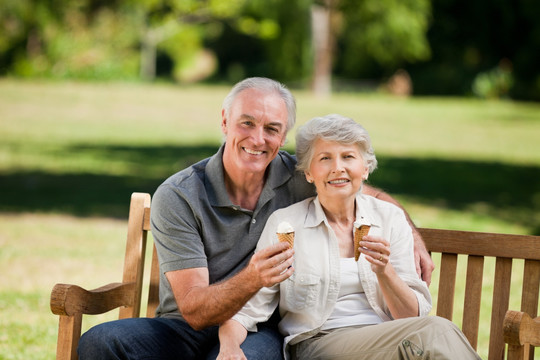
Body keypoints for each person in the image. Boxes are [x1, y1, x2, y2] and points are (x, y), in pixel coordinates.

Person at [78, 78, 434, 359]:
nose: (257, 139)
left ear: (283, 136)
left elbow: (352, 186)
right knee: (101, 342)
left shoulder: (298, 176)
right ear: (224, 121)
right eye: (246, 123)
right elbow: (195, 310)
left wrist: (411, 233)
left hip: (257, 326)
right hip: (183, 326)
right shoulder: (180, 195)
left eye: (272, 129)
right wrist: (252, 277)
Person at [217, 114, 480, 360]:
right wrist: (228, 347)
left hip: (392, 340)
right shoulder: (287, 225)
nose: (338, 168)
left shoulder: (389, 219)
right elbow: (249, 307)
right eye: (325, 159)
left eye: (348, 157)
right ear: (309, 173)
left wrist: (384, 270)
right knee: (435, 332)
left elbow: (410, 317)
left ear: (365, 169)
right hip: (318, 343)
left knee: (431, 333)